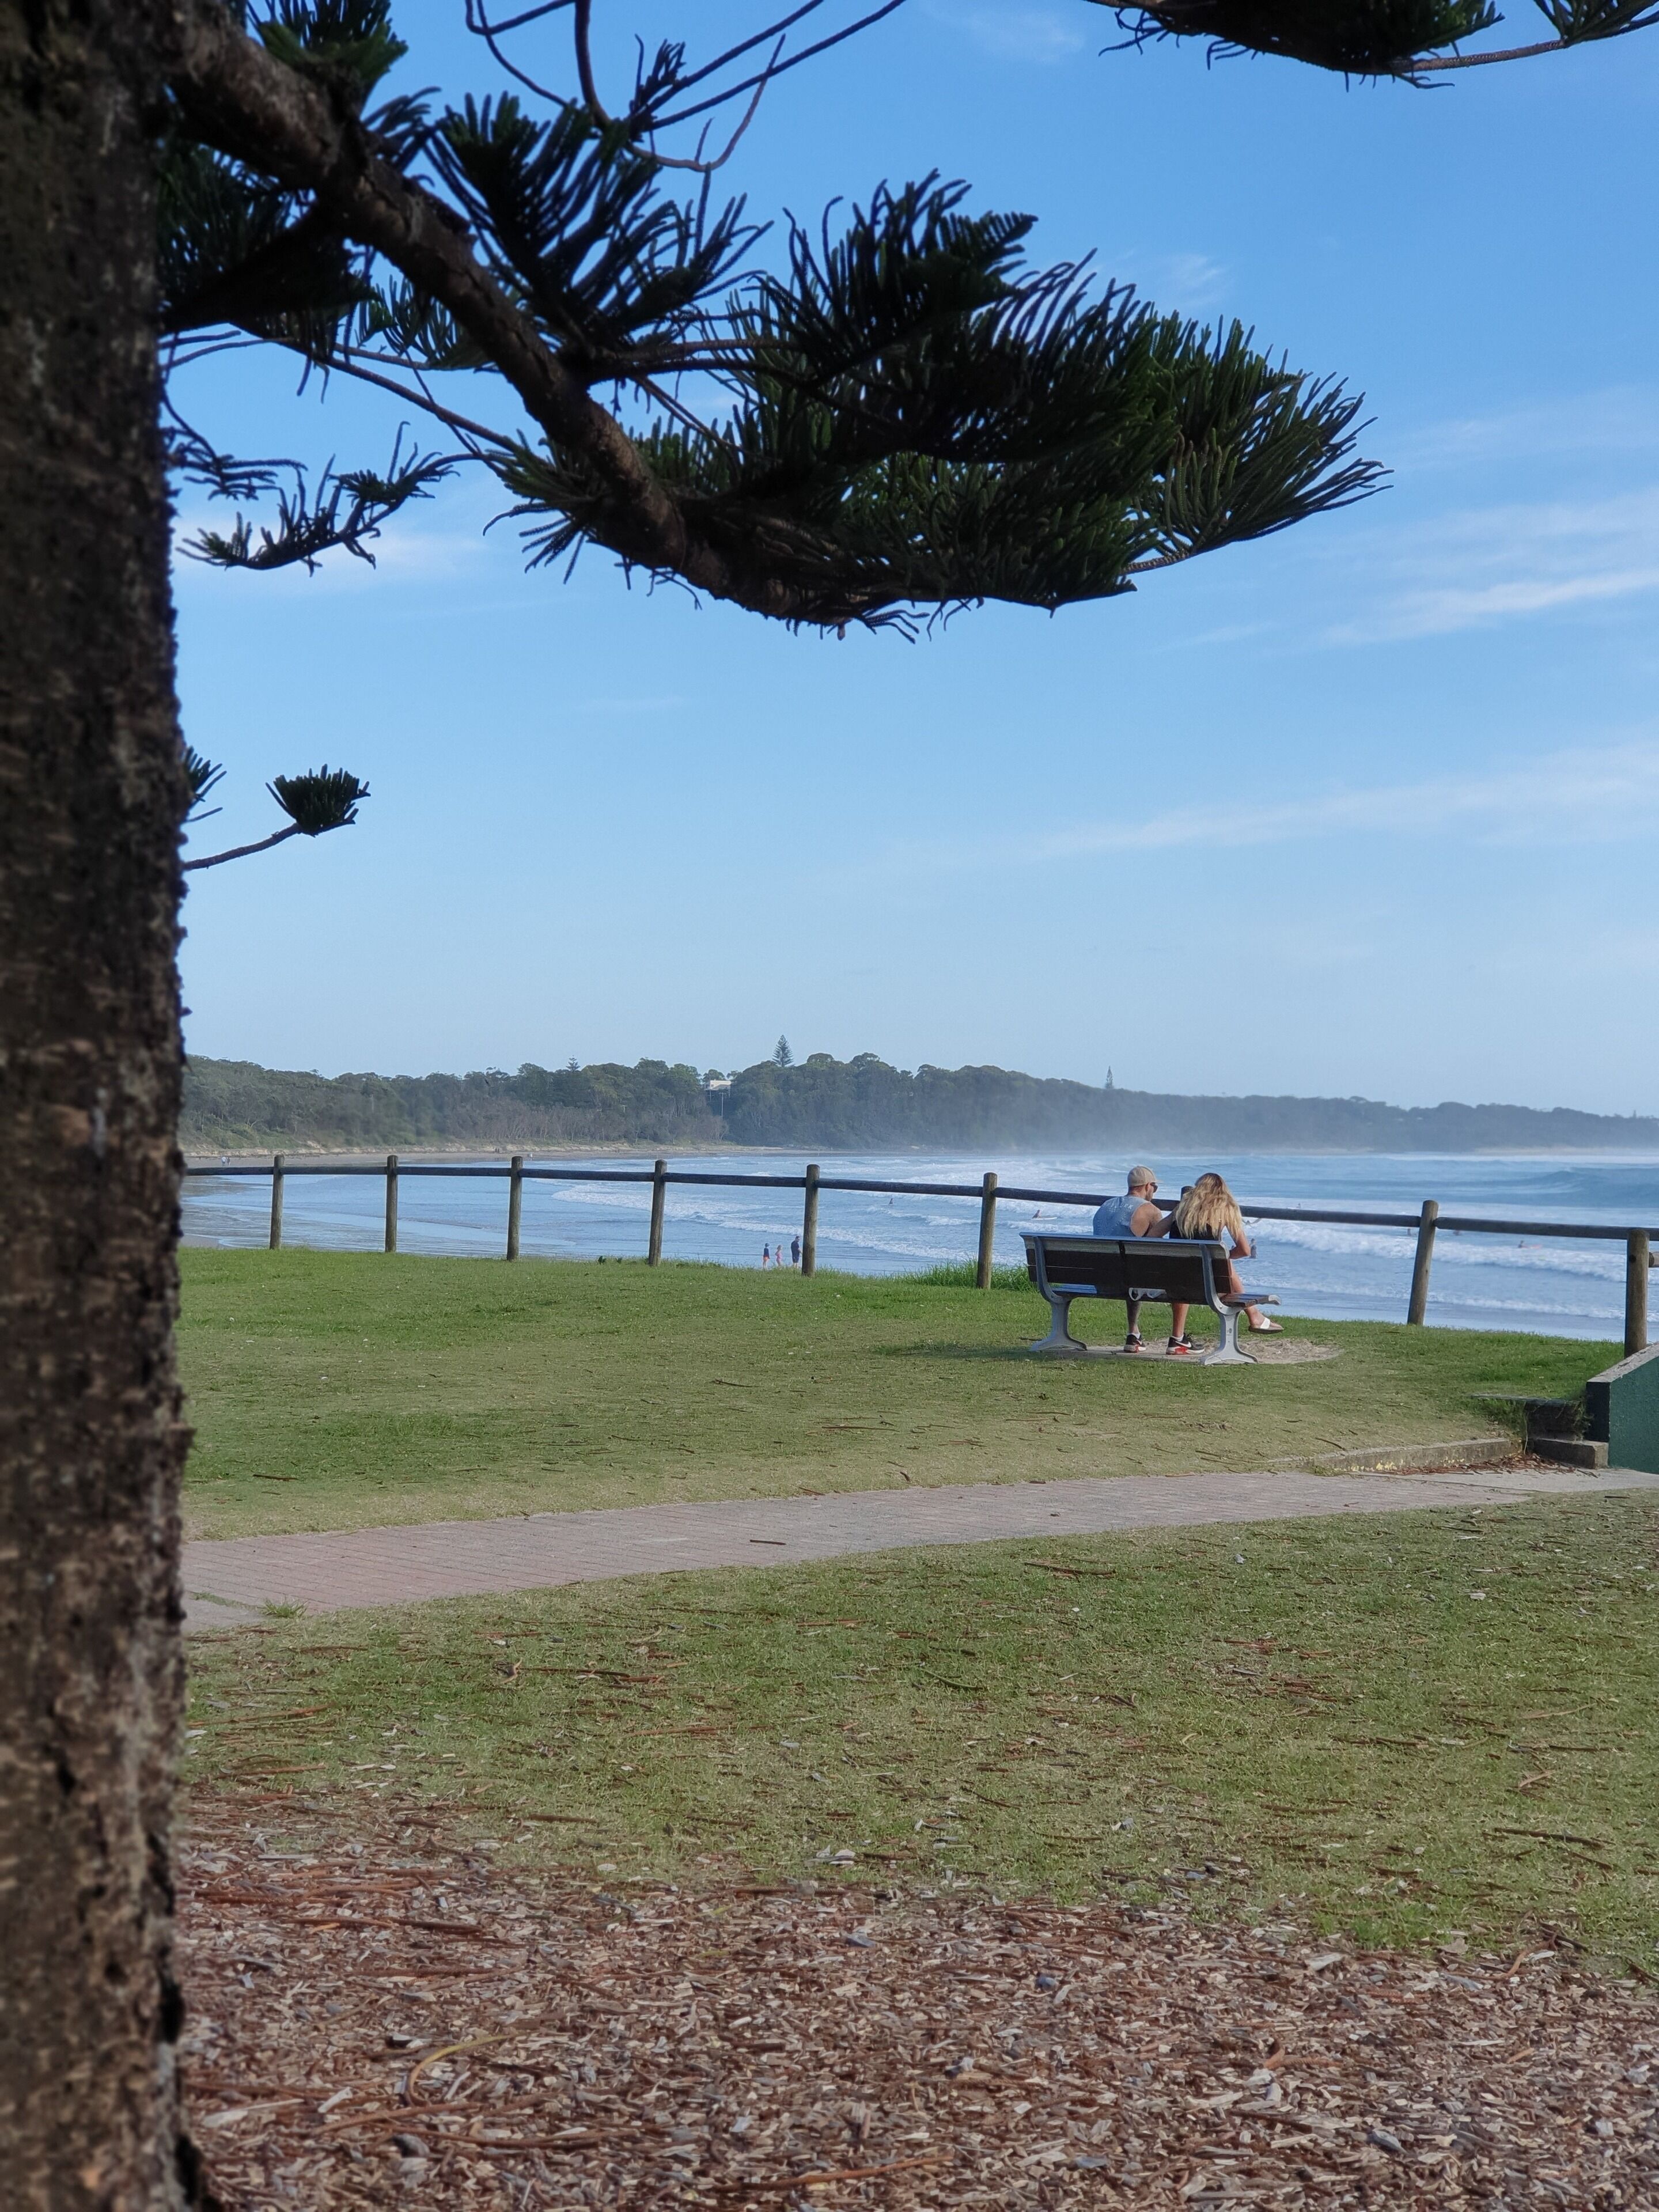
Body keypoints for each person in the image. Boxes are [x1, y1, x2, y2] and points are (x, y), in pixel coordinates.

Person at [1165, 1171, 1282, 1355]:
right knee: (1223, 1261)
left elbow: (1152, 1236)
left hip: (1174, 1284)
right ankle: (1255, 1316)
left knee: (1191, 1266)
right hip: (1209, 1288)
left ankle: (1177, 1338)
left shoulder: (1182, 1208)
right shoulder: (1225, 1208)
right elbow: (1245, 1250)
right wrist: (1223, 1259)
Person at [1090, 1166, 1173, 1353]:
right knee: (1178, 1279)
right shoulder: (1150, 1210)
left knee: (1130, 1269)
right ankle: (1179, 1337)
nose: (1155, 1192)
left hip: (1100, 1280)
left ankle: (1133, 1334)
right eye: (1155, 1188)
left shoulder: (1106, 1205)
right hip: (1129, 1282)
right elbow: (1157, 1250)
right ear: (1148, 1186)